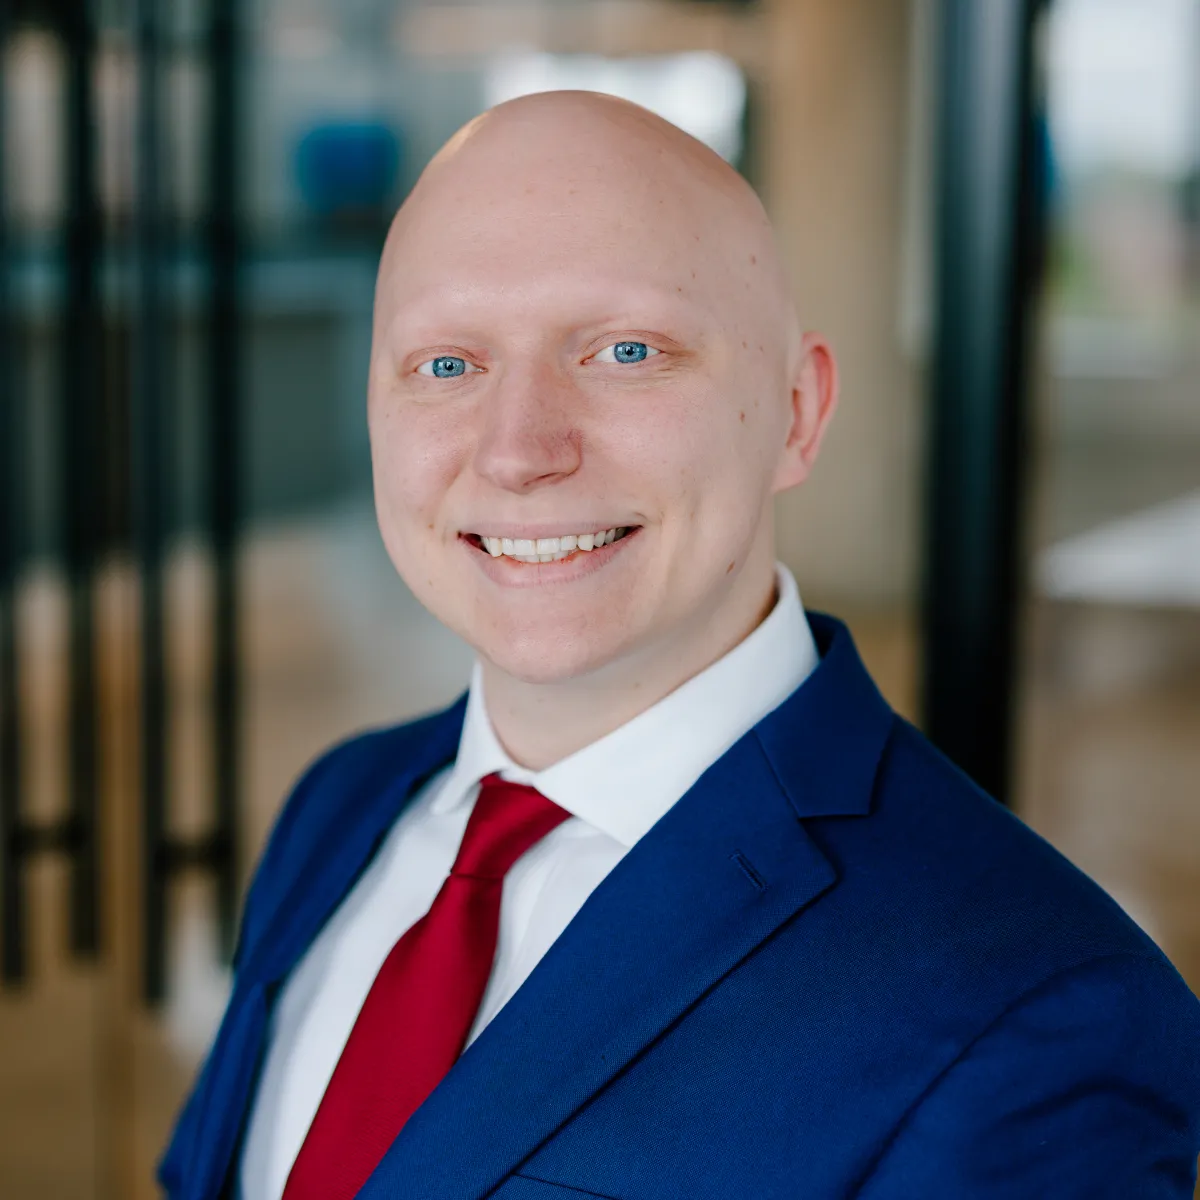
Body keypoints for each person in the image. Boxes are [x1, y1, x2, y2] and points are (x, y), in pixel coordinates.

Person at [160, 91, 1200, 1200]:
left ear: (797, 412)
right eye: (447, 365)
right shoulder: (343, 804)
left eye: (624, 350)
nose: (518, 452)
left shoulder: (1037, 1010)